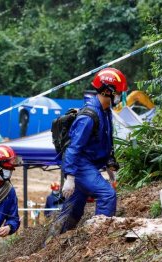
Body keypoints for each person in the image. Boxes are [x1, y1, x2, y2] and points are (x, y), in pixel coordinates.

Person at [46, 68, 125, 241]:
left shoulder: (105, 112)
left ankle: (51, 245)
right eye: (119, 92)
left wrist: (111, 167)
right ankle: (98, 240)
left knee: (73, 209)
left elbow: (106, 142)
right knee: (107, 195)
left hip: (87, 165)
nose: (121, 96)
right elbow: (74, 148)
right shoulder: (88, 116)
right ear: (108, 91)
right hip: (80, 166)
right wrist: (70, 178)